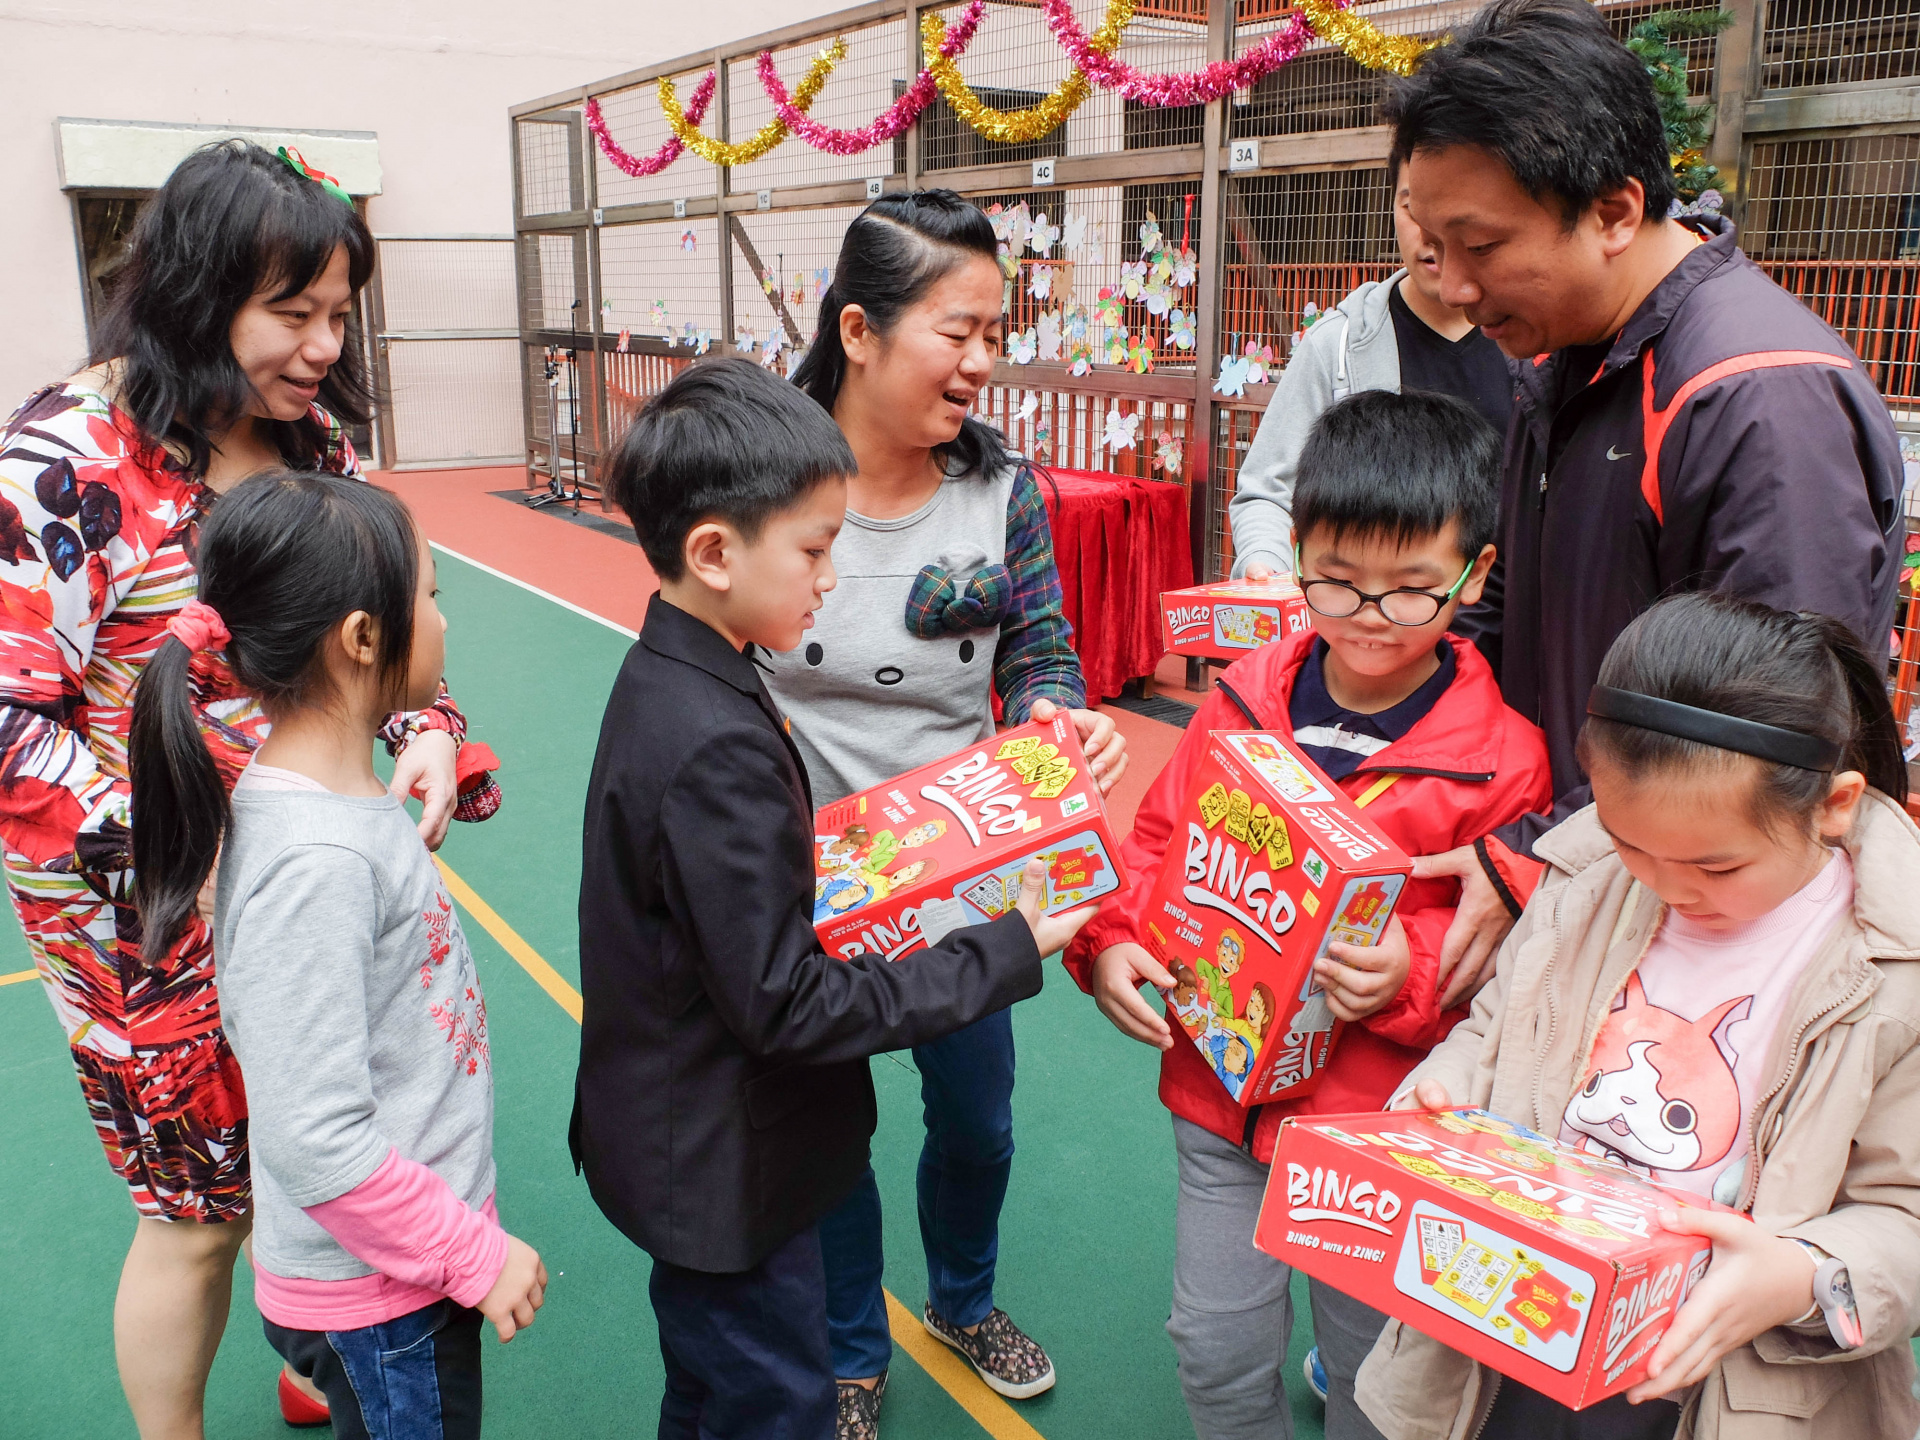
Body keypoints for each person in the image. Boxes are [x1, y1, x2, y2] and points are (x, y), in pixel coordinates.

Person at [0, 140, 486, 1437]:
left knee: (321, 1125)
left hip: (296, 867)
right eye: (293, 312)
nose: (325, 346)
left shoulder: (301, 429)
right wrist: (190, 850)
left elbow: (376, 602)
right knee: (198, 1212)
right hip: (149, 912)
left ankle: (312, 1344)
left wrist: (428, 725)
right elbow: (6, 724)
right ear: (195, 293)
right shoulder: (65, 462)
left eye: (340, 312)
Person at [571, 358, 1094, 1440]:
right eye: (814, 551)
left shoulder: (673, 674)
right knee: (773, 1401)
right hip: (728, 1168)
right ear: (714, 554)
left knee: (710, 1393)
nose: (830, 578)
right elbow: (788, 1005)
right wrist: (1003, 949)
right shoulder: (717, 742)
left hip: (685, 1141)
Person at [1382, 0, 1905, 1010]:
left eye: (1480, 245)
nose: (1452, 287)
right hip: (1594, 862)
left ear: (1616, 213)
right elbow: (1507, 607)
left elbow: (1760, 735)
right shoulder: (1565, 356)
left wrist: (1538, 851)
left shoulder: (1754, 396)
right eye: (1434, 246)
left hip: (1698, 913)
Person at [1063, 390, 1554, 1440]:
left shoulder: (1505, 760)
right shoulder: (1244, 699)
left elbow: (1513, 965)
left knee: (1372, 1374)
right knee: (1211, 1344)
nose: (1369, 613)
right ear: (1294, 553)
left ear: (1474, 574)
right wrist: (1110, 943)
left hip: (1374, 1132)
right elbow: (1158, 844)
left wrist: (1409, 971)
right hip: (1218, 1101)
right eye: (1336, 579)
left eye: (1411, 589)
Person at [1357, 591, 1920, 1440]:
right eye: (1630, 843)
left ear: (1834, 804)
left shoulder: (1894, 970)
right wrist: (1446, 1087)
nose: (1667, 885)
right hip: (1510, 1325)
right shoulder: (1584, 882)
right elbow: (1490, 1033)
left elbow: (1904, 1217)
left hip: (1718, 1383)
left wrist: (1800, 1276)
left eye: (1716, 867)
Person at [771, 188, 1127, 1434]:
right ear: (859, 330)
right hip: (808, 881)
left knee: (977, 1120)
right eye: (957, 331)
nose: (982, 362)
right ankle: (850, 1354)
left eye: (995, 333)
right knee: (826, 1131)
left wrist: (1054, 714)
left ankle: (963, 1301)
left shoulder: (999, 488)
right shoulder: (771, 472)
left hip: (967, 874)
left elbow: (1039, 647)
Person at [127, 472, 543, 1439]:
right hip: (388, 1292)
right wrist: (469, 1254)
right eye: (432, 597)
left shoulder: (334, 802)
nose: (444, 620)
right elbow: (313, 1137)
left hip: (395, 1259)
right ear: (361, 638)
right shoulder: (317, 862)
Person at [1228, 156, 1516, 581]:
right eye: (1414, 209)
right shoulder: (1336, 345)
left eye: (1454, 210)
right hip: (1371, 613)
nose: (1432, 234)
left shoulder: (1540, 343)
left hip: (1513, 613)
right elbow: (1268, 493)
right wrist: (1266, 562)